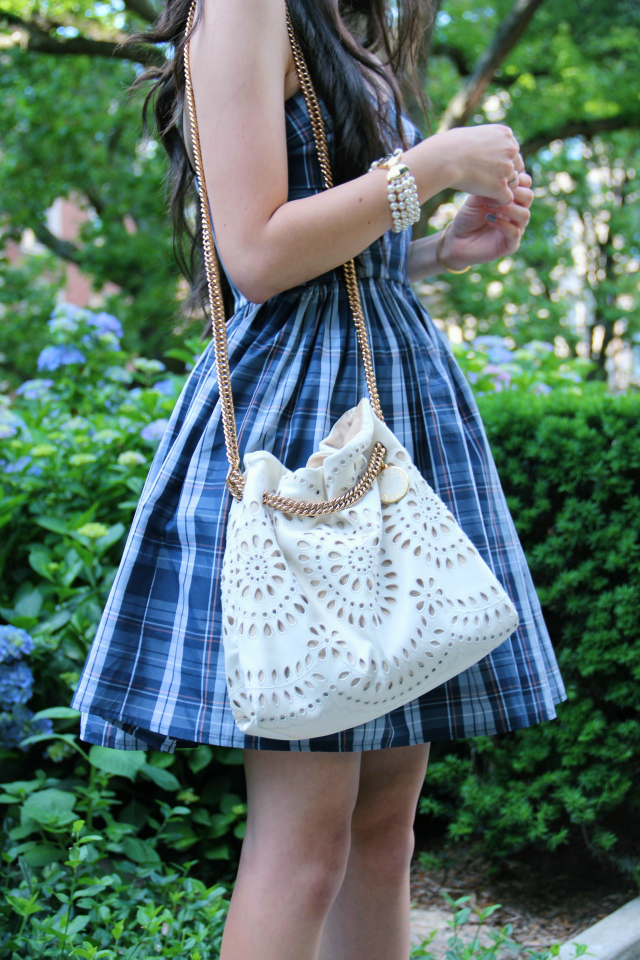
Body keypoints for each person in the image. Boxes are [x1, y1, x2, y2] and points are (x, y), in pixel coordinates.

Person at [69, 1, 567, 957]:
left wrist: (434, 251)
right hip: (303, 430)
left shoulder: (336, 18)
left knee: (383, 836)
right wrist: (432, 165)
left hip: (386, 402)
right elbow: (257, 255)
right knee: (303, 848)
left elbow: (333, 258)